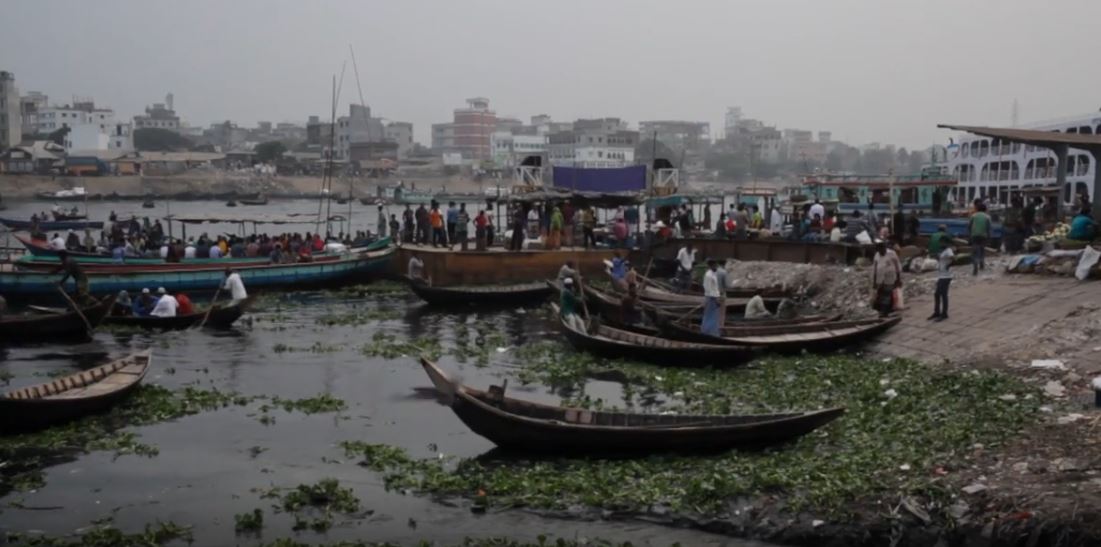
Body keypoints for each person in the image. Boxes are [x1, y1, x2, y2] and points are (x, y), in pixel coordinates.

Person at [871, 241, 902, 317]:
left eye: (882, 248)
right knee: (880, 296)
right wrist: (874, 282)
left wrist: (898, 279)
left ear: (884, 247)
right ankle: (884, 311)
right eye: (878, 249)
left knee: (887, 296)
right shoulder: (877, 255)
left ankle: (884, 312)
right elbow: (875, 268)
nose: (881, 251)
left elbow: (897, 266)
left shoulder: (892, 253)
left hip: (890, 278)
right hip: (880, 279)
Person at [930, 237, 955, 322]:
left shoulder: (948, 250)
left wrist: (949, 265)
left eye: (943, 243)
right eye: (940, 243)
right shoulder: (943, 251)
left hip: (946, 276)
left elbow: (953, 258)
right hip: (941, 275)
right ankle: (937, 312)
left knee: (943, 294)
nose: (941, 244)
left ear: (947, 243)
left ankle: (944, 313)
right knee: (937, 294)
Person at [968, 202, 992, 275]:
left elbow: (969, 226)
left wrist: (969, 235)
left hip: (974, 235)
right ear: (985, 209)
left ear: (977, 209)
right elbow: (989, 228)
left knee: (975, 251)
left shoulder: (973, 216)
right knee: (982, 249)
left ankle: (975, 265)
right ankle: (981, 264)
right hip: (983, 236)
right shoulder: (987, 217)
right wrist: (989, 237)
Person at [700, 260, 722, 337]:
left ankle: (713, 332)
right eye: (715, 265)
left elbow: (715, 287)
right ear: (711, 266)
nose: (716, 267)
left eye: (716, 265)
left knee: (714, 316)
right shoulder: (708, 275)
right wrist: (715, 299)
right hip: (711, 298)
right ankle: (707, 332)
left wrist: (718, 297)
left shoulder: (714, 274)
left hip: (715, 297)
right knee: (709, 315)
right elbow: (708, 289)